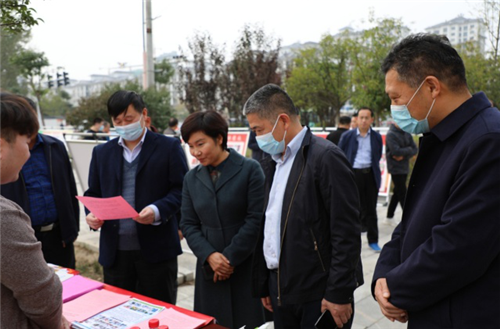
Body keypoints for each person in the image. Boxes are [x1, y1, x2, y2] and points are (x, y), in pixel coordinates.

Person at [372, 34, 500, 328]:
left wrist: (397, 288)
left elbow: (461, 246)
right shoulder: (442, 137)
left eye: (396, 98)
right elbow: (413, 222)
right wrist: (383, 274)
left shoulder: (488, 140)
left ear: (431, 87)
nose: (395, 109)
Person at [244, 84, 362, 329]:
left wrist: (338, 293)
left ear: (283, 120)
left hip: (319, 294)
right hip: (282, 290)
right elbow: (270, 224)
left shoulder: (325, 157)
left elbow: (346, 232)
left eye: (259, 129)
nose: (257, 137)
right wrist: (266, 283)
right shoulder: (272, 161)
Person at [84, 90, 188, 304]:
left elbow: (182, 190)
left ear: (144, 114)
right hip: (116, 254)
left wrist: (158, 210)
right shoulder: (102, 153)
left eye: (129, 119)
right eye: (118, 121)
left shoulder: (168, 147)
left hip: (157, 251)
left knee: (161, 314)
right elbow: (93, 193)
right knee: (118, 313)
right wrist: (92, 215)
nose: (124, 125)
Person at [180, 111, 265, 328]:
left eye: (200, 143)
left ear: (219, 138)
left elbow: (255, 220)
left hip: (244, 265)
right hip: (209, 270)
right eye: (190, 146)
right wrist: (210, 256)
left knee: (248, 321)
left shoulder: (250, 170)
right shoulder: (191, 178)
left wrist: (228, 259)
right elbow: (188, 224)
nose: (195, 152)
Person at [0, 93, 70, 329]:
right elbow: (43, 299)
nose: (28, 152)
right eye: (24, 141)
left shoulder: (55, 148)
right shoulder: (4, 218)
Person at [1, 96, 80, 269]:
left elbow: (70, 189)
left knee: (67, 281)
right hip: (25, 235)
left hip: (58, 235)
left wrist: (71, 229)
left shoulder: (55, 147)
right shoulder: (10, 156)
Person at [339, 108, 383, 252]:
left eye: (367, 118)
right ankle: (352, 242)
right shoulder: (347, 136)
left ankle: (373, 240)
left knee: (371, 210)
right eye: (361, 117)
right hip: (354, 175)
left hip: (370, 174)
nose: (364, 120)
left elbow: (377, 156)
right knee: (353, 210)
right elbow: (340, 156)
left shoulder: (376, 137)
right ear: (357, 119)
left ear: (371, 120)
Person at [384, 123, 417, 224]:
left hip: (404, 166)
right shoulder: (391, 134)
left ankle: (389, 216)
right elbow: (395, 151)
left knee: (397, 192)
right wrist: (408, 151)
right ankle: (409, 218)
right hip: (395, 168)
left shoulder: (406, 133)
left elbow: (415, 149)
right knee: (403, 193)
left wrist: (404, 155)